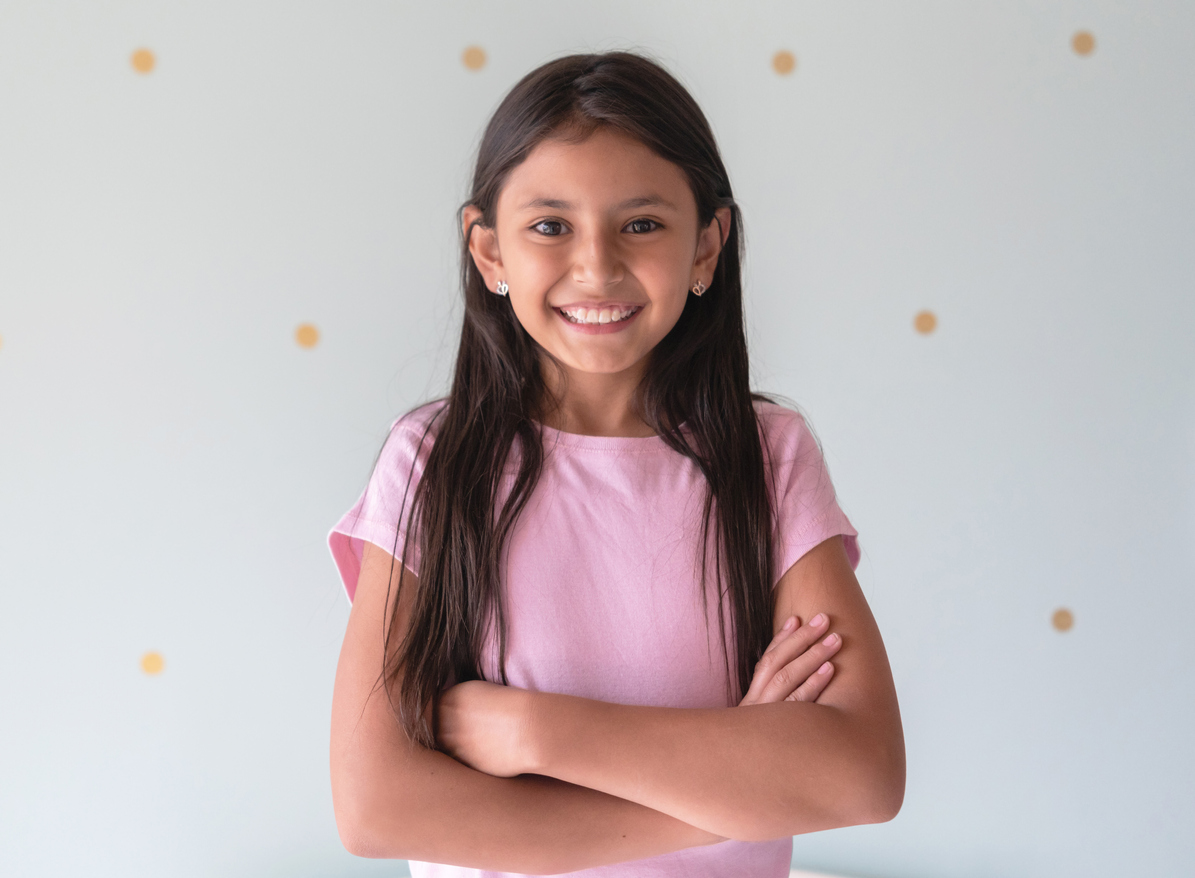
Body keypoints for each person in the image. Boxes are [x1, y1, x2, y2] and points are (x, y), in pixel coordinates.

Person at [326, 51, 904, 877]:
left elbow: (861, 774)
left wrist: (539, 732)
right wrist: (737, 784)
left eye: (641, 224)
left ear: (707, 247)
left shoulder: (767, 458)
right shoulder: (432, 463)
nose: (595, 266)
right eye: (550, 226)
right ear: (488, 251)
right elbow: (378, 809)